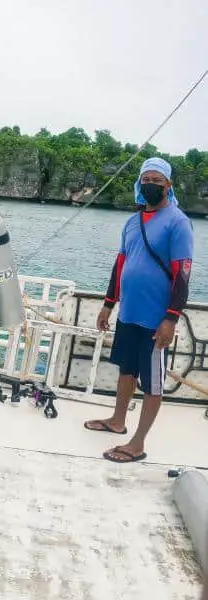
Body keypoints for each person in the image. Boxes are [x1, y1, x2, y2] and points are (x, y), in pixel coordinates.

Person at [85, 157, 193, 463]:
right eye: (146, 180)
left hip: (155, 319)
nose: (151, 186)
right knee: (127, 369)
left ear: (168, 186)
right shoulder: (132, 222)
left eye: (157, 181)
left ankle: (138, 442)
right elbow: (120, 266)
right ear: (139, 183)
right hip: (128, 313)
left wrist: (170, 318)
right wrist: (108, 304)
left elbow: (183, 275)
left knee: (152, 381)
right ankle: (118, 421)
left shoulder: (178, 222)